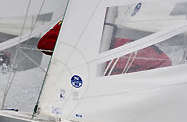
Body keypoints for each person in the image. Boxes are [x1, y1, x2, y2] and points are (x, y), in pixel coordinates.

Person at [37, 21, 171, 74]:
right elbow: (44, 44)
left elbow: (164, 64)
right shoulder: (81, 46)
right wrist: (70, 21)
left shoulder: (132, 48)